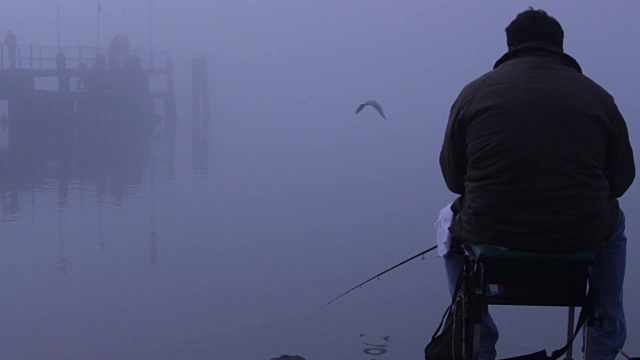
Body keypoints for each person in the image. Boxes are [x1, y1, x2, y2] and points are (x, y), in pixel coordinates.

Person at [439, 8, 635, 360]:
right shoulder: (599, 97)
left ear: (511, 45)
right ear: (560, 46)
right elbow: (621, 182)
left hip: (492, 230)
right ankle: (603, 347)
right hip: (579, 233)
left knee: (448, 230)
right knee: (614, 225)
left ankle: (478, 346)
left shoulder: (474, 93)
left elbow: (454, 178)